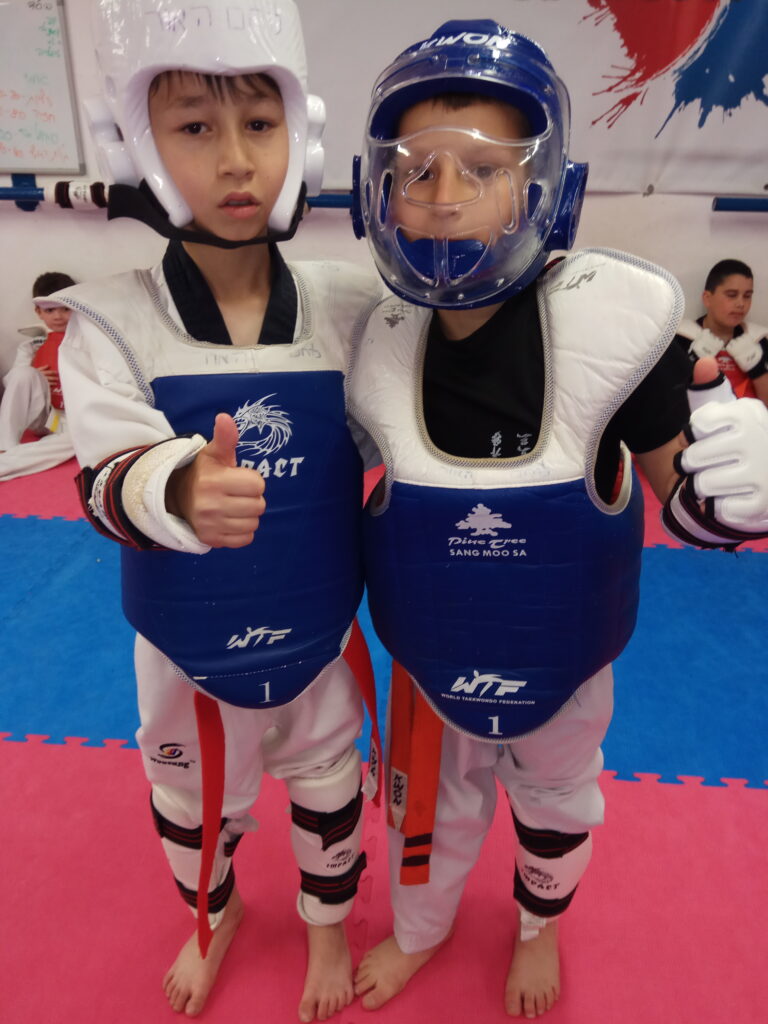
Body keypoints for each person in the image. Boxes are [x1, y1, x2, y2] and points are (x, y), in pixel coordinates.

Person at [346, 20, 768, 1019]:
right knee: (427, 813)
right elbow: (326, 494)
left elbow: (681, 494)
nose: (444, 194)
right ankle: (422, 931)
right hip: (429, 653)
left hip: (566, 652)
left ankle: (538, 928)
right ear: (379, 190)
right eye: (417, 169)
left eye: (483, 169)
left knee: (557, 801)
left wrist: (733, 496)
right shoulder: (374, 337)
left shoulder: (613, 329)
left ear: (543, 188)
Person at [55, 0, 382, 1019]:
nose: (237, 159)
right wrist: (175, 487)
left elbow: (418, 424)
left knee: (330, 789)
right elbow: (103, 472)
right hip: (184, 646)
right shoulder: (111, 321)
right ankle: (217, 915)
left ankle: (325, 928)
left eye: (261, 122)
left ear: (301, 133)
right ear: (136, 143)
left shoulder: (349, 308)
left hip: (320, 629)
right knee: (191, 810)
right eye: (195, 126)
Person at [0, 272, 76, 481]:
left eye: (65, 309)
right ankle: (5, 445)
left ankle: (8, 463)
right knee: (23, 373)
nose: (58, 316)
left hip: (67, 421)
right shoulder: (31, 346)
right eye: (50, 310)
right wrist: (36, 374)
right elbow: (13, 383)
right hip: (42, 416)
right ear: (38, 312)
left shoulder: (85, 342)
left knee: (78, 438)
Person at [675, 259, 768, 405]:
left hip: (748, 419)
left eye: (747, 296)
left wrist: (758, 370)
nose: (741, 304)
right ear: (707, 298)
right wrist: (691, 362)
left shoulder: (759, 339)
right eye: (731, 295)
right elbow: (665, 401)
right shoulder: (681, 338)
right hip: (699, 418)